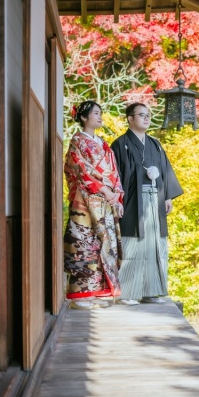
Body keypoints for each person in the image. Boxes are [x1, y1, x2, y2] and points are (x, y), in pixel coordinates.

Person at [111, 102, 183, 305]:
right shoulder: (120, 144)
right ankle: (128, 292)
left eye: (148, 115)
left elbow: (165, 171)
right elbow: (115, 176)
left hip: (155, 199)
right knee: (132, 243)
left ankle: (151, 291)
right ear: (130, 118)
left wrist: (167, 196)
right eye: (141, 114)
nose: (146, 118)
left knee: (155, 245)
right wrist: (117, 200)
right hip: (133, 202)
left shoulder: (155, 144)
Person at [63, 100, 125, 310]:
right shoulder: (78, 141)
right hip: (86, 201)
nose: (100, 117)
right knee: (85, 244)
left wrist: (117, 196)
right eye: (95, 113)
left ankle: (96, 291)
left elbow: (115, 173)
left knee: (103, 246)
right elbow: (80, 169)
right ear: (83, 117)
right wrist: (105, 190)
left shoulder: (103, 143)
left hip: (105, 203)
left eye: (100, 113)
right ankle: (80, 295)